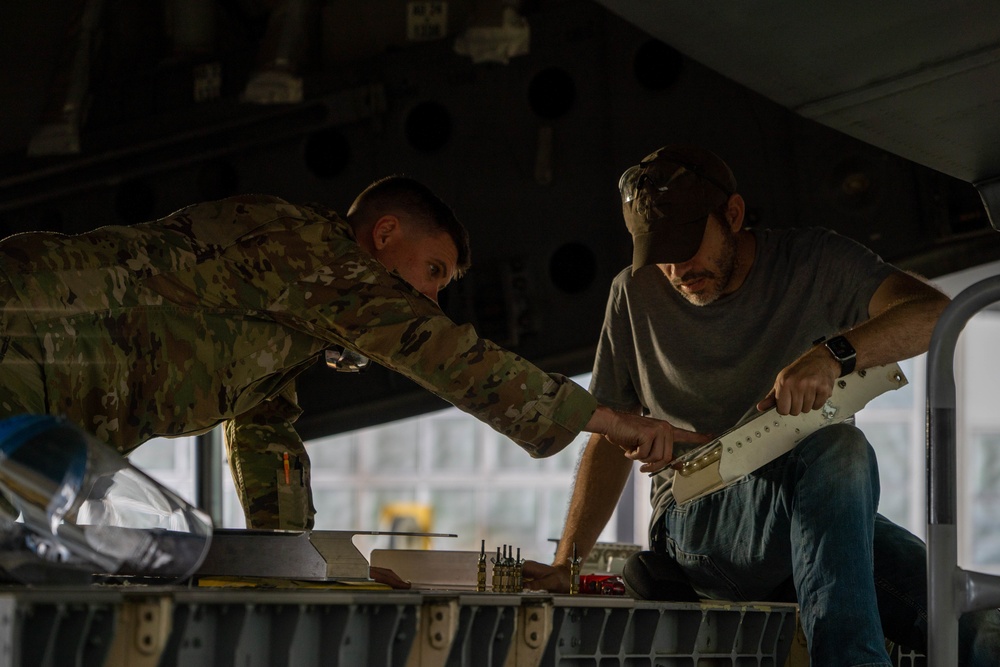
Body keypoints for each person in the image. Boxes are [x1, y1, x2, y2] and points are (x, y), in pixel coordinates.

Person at [521, 145, 1000, 665]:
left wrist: (834, 354)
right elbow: (608, 437)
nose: (679, 268)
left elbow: (933, 313)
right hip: (696, 523)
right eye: (661, 254)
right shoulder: (632, 294)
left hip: (818, 514)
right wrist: (567, 561)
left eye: (688, 244)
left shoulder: (816, 261)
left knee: (980, 630)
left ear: (733, 215)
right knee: (840, 448)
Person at [0, 175, 694, 532]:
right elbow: (446, 354)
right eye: (432, 274)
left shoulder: (297, 307)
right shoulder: (312, 252)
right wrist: (610, 421)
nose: (431, 301)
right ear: (385, 233)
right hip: (31, 338)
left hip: (46, 381)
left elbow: (265, 425)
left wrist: (284, 553)